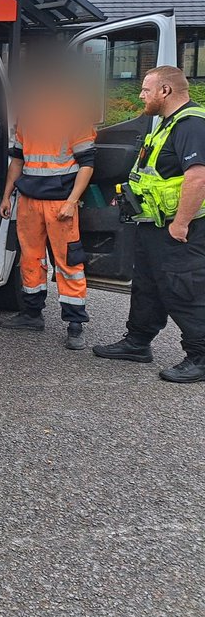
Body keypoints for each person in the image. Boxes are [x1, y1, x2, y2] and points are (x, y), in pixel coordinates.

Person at [93, 66, 205, 383]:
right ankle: (137, 342)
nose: (142, 95)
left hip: (180, 228)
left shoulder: (191, 124)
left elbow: (198, 177)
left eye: (146, 89)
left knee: (184, 289)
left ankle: (200, 356)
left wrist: (181, 223)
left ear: (165, 91)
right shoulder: (166, 124)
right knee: (147, 286)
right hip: (152, 224)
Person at [0, 63, 97, 349]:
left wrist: (71, 201)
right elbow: (18, 160)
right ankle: (32, 314)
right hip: (29, 200)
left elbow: (87, 164)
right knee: (30, 259)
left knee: (68, 263)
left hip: (60, 203)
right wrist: (7, 196)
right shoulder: (27, 117)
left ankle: (75, 324)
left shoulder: (75, 116)